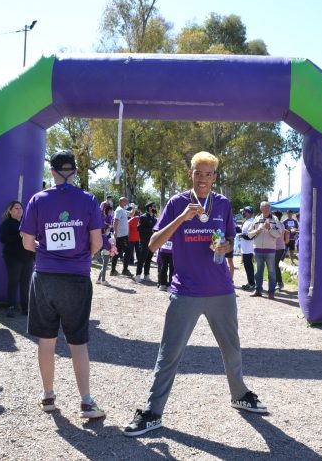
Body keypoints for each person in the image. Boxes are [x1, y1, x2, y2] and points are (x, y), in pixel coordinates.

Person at [123, 151, 267, 437]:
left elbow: (228, 239)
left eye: (208, 174)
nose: (203, 179)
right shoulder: (177, 202)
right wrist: (182, 218)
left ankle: (240, 394)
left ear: (215, 177)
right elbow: (152, 244)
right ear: (191, 174)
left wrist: (226, 247)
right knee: (169, 354)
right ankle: (153, 412)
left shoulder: (223, 204)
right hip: (186, 291)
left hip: (221, 290)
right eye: (198, 173)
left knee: (232, 348)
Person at [21, 150, 105, 419]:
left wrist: (46, 252)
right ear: (76, 172)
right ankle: (86, 402)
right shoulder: (89, 200)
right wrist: (79, 258)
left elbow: (26, 242)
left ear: (52, 172)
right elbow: (97, 243)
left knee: (46, 341)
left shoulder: (37, 200)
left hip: (45, 276)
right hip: (77, 278)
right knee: (77, 342)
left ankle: (47, 395)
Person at [0, 200, 35, 318]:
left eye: (20, 208)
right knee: (13, 282)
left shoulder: (26, 223)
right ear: (10, 211)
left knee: (25, 283)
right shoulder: (7, 223)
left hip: (28, 257)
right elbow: (3, 239)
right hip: (13, 257)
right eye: (16, 208)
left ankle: (25, 307)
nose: (19, 210)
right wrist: (18, 235)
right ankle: (11, 306)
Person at [247, 201, 284, 300]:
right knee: (258, 272)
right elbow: (249, 233)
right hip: (258, 249)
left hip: (270, 250)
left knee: (271, 272)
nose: (266, 209)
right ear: (261, 209)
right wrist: (257, 231)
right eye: (263, 207)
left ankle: (271, 292)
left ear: (270, 209)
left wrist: (269, 229)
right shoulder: (256, 219)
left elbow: (279, 234)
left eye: (267, 207)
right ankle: (258, 290)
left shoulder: (275, 219)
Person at [135, 202, 157, 282]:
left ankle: (146, 274)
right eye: (153, 206)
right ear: (150, 208)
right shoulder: (143, 217)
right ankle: (138, 275)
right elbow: (139, 228)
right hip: (144, 242)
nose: (155, 208)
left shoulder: (154, 218)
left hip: (152, 242)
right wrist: (150, 230)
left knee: (149, 259)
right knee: (142, 259)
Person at [111, 197, 132, 277]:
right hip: (121, 236)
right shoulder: (119, 210)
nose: (127, 202)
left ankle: (113, 271)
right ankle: (125, 270)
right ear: (122, 201)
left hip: (122, 235)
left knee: (117, 253)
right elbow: (115, 220)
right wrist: (115, 231)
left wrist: (133, 208)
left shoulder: (122, 210)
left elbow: (131, 214)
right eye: (126, 201)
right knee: (128, 251)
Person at [96, 204, 115, 286]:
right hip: (106, 252)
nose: (109, 231)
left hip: (105, 252)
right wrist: (111, 247)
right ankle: (103, 280)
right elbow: (107, 245)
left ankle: (99, 279)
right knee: (104, 266)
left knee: (104, 266)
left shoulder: (103, 236)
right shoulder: (104, 237)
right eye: (108, 229)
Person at [239, 207, 256, 290]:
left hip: (249, 248)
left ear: (248, 212)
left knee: (249, 266)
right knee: (247, 266)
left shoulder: (252, 222)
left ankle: (252, 283)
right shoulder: (247, 221)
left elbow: (251, 236)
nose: (243, 213)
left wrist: (242, 235)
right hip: (245, 248)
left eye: (244, 212)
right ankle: (250, 282)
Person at [272, 210, 288, 291]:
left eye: (273, 215)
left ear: (276, 216)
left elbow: (275, 235)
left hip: (279, 248)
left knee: (276, 265)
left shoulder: (279, 225)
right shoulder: (279, 224)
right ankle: (275, 283)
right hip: (277, 248)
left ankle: (279, 283)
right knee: (274, 266)